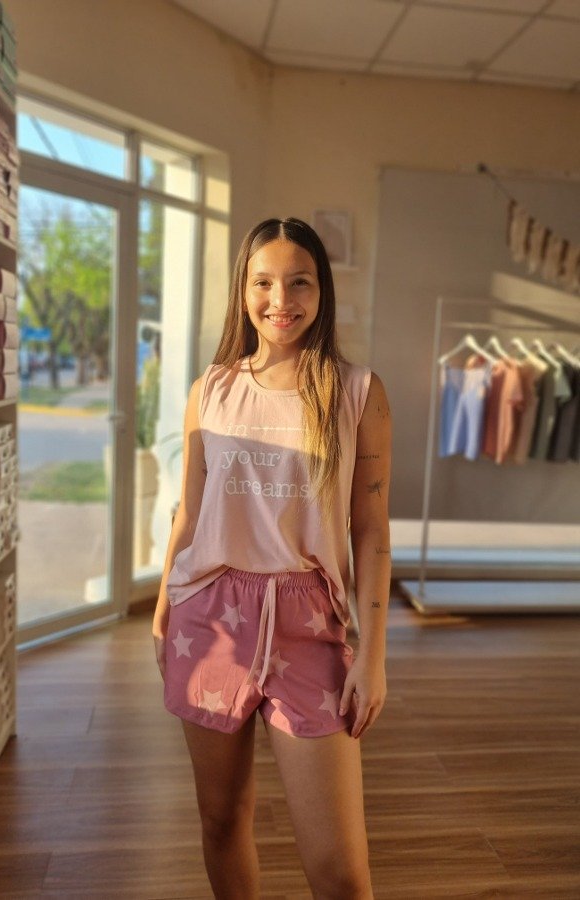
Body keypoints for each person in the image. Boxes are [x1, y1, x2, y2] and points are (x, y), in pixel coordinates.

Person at [152, 217, 391, 899]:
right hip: (208, 619)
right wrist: (165, 608)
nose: (279, 300)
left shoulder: (357, 393)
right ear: (243, 290)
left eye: (299, 282)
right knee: (222, 818)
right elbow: (190, 511)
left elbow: (371, 531)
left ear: (322, 291)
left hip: (309, 624)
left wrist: (372, 656)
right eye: (263, 282)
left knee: (340, 873)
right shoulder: (211, 389)